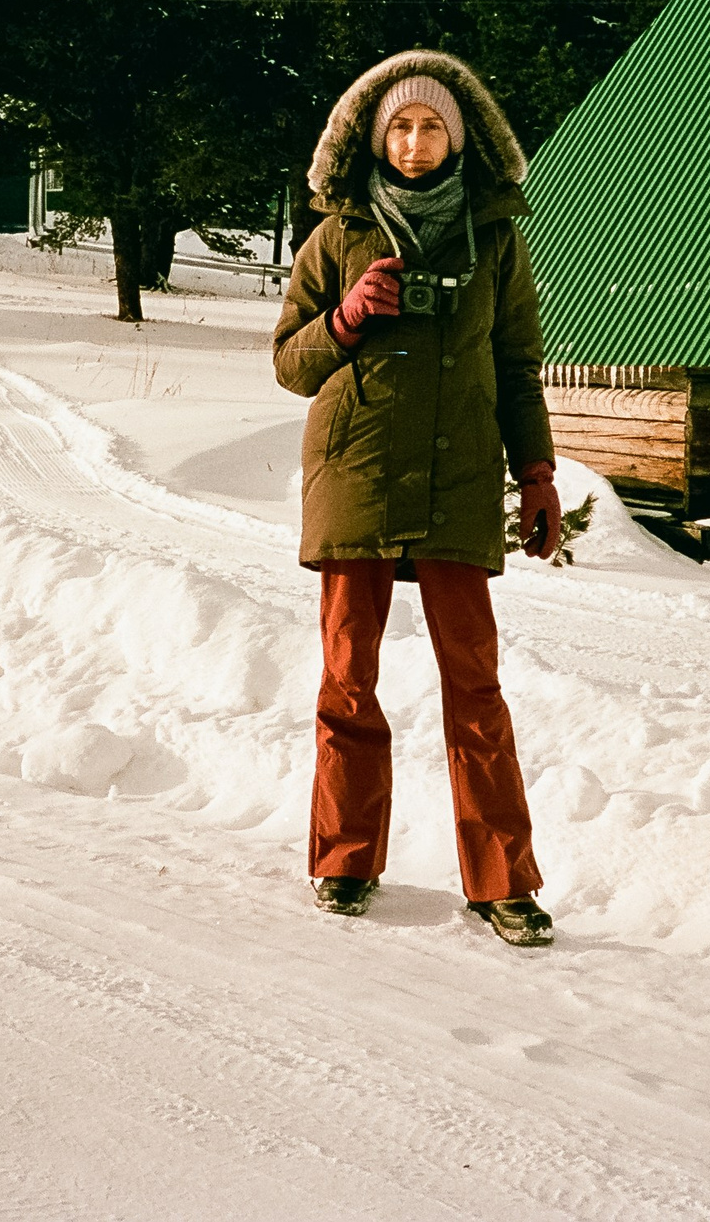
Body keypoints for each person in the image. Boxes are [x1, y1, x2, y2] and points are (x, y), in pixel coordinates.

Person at [272, 49, 563, 948]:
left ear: (458, 136)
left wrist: (539, 473)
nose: (414, 139)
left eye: (432, 123)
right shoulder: (337, 236)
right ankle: (345, 860)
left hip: (462, 476)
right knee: (348, 680)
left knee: (476, 686)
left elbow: (517, 366)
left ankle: (502, 883)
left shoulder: (498, 238)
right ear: (375, 134)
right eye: (400, 124)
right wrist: (346, 317)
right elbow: (289, 361)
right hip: (357, 474)